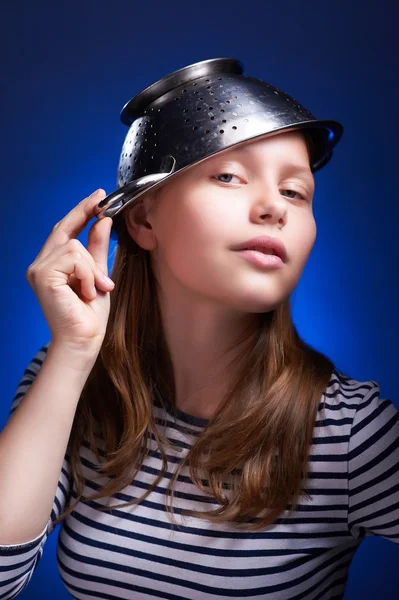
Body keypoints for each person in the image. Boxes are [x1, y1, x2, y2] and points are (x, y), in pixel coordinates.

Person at [0, 59, 398, 600]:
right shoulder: (71, 386)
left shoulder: (351, 434)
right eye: (229, 175)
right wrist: (72, 354)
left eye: (295, 192)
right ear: (142, 220)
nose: (272, 208)